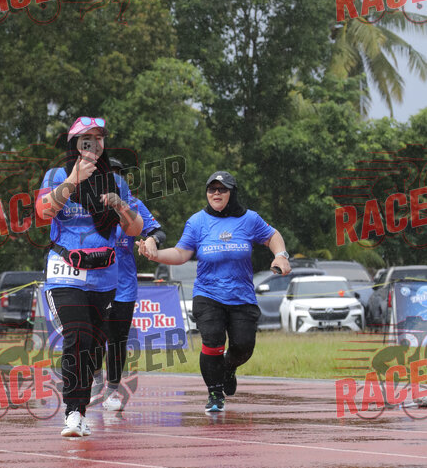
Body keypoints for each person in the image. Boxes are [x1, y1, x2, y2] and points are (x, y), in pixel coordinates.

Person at [139, 170, 291, 412]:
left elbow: (272, 236)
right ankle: (215, 393)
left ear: (232, 193)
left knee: (243, 346)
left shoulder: (249, 219)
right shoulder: (197, 221)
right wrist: (155, 255)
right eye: (212, 189)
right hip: (208, 294)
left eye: (222, 189)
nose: (216, 193)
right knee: (212, 341)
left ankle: (228, 367)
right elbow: (181, 253)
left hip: (241, 295)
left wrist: (281, 255)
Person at [35, 117, 143, 437]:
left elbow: (135, 229)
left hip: (104, 276)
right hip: (65, 271)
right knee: (78, 336)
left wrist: (120, 206)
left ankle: (80, 410)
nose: (94, 143)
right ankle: (73, 412)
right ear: (74, 143)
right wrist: (73, 179)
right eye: (87, 138)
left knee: (93, 346)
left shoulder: (115, 180)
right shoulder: (56, 175)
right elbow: (43, 212)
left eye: (99, 138)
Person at [90, 157, 166, 411]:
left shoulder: (133, 204)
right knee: (94, 338)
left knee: (117, 339)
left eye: (117, 174)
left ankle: (112, 390)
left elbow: (157, 231)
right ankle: (95, 381)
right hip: (94, 283)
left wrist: (152, 241)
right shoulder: (86, 204)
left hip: (123, 286)